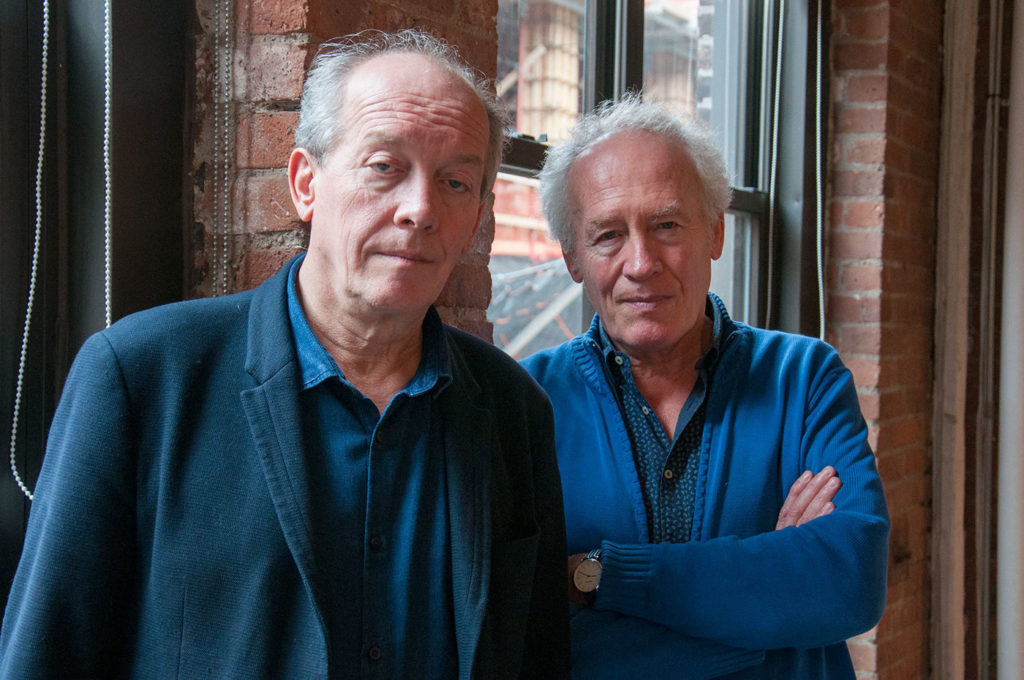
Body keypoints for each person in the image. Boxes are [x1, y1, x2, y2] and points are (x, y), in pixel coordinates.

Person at [0, 29, 568, 679]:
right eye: (384, 167)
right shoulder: (141, 377)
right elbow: (47, 653)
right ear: (306, 183)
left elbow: (537, 653)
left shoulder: (513, 408)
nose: (420, 208)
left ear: (477, 219)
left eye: (457, 182)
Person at [521, 95, 890, 679]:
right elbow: (522, 634)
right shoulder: (524, 403)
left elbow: (849, 583)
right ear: (572, 258)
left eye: (666, 225)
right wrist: (769, 613)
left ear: (715, 233)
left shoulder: (806, 378)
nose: (641, 263)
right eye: (608, 236)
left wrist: (598, 577)